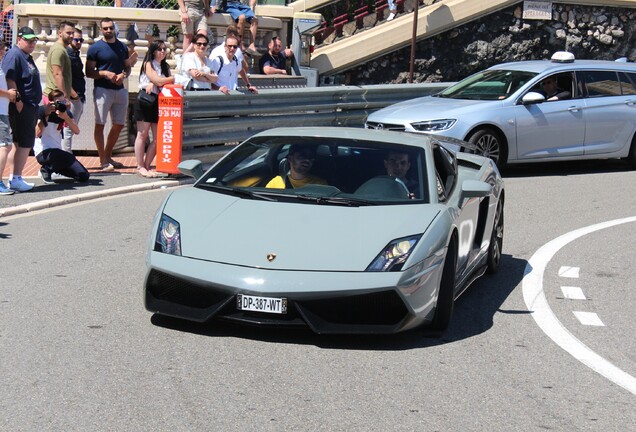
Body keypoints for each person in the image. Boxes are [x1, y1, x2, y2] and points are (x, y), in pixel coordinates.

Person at [85, 17, 138, 172]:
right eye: (105, 28)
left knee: (119, 124)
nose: (108, 31)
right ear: (101, 29)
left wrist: (123, 75)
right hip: (102, 89)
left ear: (114, 28)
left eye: (110, 28)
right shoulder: (95, 48)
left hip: (120, 89)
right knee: (100, 124)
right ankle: (102, 159)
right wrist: (104, 73)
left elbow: (127, 67)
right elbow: (88, 72)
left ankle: (108, 156)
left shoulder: (121, 46)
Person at [2, 26, 41, 192]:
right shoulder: (14, 55)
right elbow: (10, 78)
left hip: (29, 104)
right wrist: (18, 101)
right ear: (19, 39)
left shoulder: (26, 56)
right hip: (22, 105)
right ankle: (16, 177)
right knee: (24, 142)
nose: (32, 43)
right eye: (28, 40)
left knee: (19, 142)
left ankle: (15, 177)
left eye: (34, 40)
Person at [134, 40, 174, 178]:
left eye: (164, 49)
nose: (162, 52)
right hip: (146, 100)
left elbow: (164, 83)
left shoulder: (165, 66)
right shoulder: (148, 64)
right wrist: (158, 81)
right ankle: (140, 165)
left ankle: (147, 164)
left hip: (159, 101)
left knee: (158, 138)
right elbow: (158, 81)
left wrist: (160, 81)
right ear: (153, 51)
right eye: (159, 49)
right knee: (142, 134)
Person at [34, 89, 89, 184]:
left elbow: (77, 131)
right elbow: (37, 134)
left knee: (83, 176)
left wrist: (66, 118)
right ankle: (46, 169)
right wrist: (46, 115)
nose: (61, 104)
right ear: (51, 102)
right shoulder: (42, 110)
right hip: (43, 152)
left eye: (63, 101)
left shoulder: (65, 113)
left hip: (58, 153)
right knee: (69, 157)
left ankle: (54, 169)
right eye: (58, 102)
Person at [62, 28, 86, 153]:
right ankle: (66, 156)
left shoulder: (75, 55)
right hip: (72, 98)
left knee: (70, 127)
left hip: (79, 96)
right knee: (68, 128)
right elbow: (64, 78)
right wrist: (74, 96)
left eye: (80, 40)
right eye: (76, 40)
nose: (78, 42)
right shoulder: (68, 55)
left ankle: (67, 155)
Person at [0, 40, 19, 195]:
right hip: (0, 113)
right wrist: (9, 94)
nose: (4, 52)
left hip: (3, 111)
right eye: (2, 49)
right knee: (4, 146)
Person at [44, 21, 77, 102]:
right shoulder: (58, 50)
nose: (71, 36)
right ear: (60, 33)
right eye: (68, 33)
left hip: (57, 96)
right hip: (55, 97)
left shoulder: (62, 49)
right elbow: (57, 74)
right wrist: (64, 98)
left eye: (73, 33)